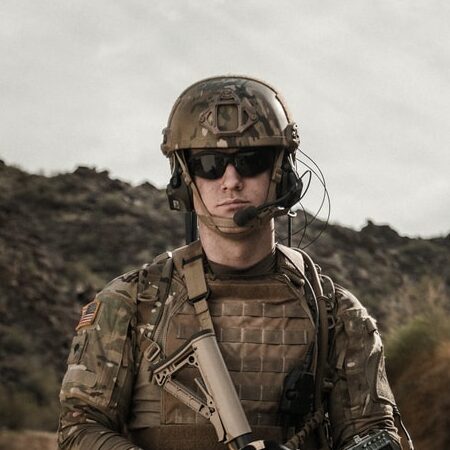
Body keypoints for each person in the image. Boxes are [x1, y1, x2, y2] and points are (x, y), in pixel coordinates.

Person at [58, 76, 405, 450]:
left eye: (250, 161)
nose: (231, 180)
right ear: (185, 178)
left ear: (281, 173)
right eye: (209, 164)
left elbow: (374, 435)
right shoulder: (131, 303)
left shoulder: (336, 314)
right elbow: (80, 429)